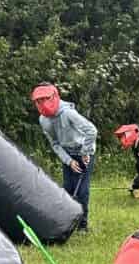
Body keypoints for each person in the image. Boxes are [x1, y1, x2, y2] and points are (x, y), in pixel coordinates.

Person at [31, 85, 98, 232]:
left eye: (46, 99)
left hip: (83, 151)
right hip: (67, 154)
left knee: (82, 191)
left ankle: (82, 226)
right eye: (39, 101)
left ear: (54, 97)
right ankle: (67, 223)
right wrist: (69, 161)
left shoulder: (68, 113)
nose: (43, 103)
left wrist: (85, 152)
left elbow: (91, 131)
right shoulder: (43, 120)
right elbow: (54, 144)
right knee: (68, 189)